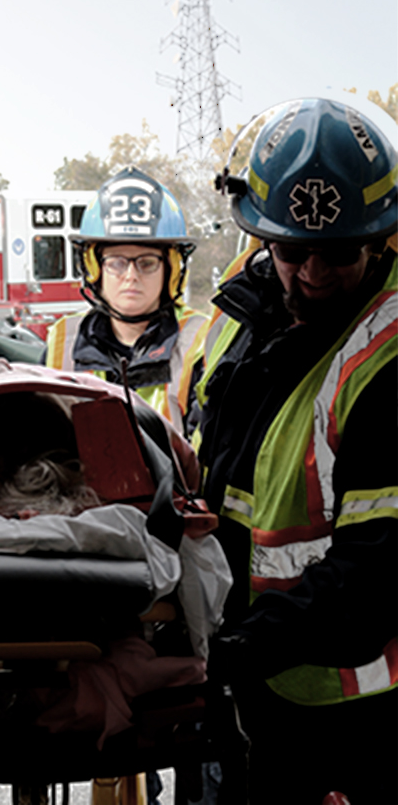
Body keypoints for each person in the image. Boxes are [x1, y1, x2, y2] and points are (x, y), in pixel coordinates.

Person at [198, 98, 398, 804]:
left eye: (341, 252)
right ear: (260, 236)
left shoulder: (389, 359)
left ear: (382, 239)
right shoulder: (238, 317)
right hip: (249, 688)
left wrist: (234, 652)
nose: (313, 273)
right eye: (291, 250)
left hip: (355, 721)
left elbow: (379, 572)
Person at [46, 166, 207, 437]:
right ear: (94, 268)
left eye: (147, 263)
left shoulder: (200, 343)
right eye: (117, 263)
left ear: (171, 270)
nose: (131, 276)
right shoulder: (62, 342)